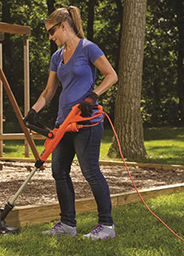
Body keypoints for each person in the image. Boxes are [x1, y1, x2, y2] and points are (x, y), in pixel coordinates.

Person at [24, 6, 118, 240]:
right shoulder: (57, 56)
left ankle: (106, 226)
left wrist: (93, 95)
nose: (50, 36)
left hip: (86, 121)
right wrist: (34, 110)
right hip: (62, 123)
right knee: (59, 172)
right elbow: (49, 90)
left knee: (90, 171)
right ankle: (68, 224)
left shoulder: (88, 49)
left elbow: (112, 75)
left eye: (51, 31)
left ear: (64, 26)